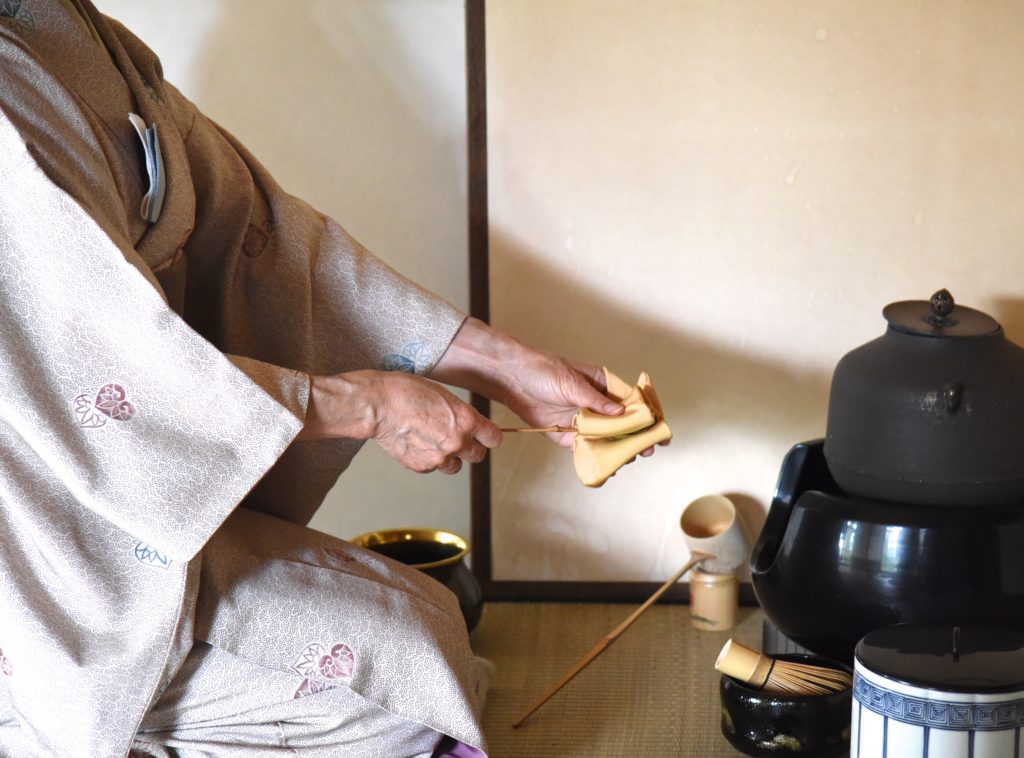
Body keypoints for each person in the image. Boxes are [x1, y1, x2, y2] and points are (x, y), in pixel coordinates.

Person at [0, 1, 635, 756]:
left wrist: (502, 366)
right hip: (49, 540)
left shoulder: (68, 24)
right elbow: (98, 368)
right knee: (389, 705)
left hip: (136, 511)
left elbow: (263, 237)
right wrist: (365, 405)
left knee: (427, 630)